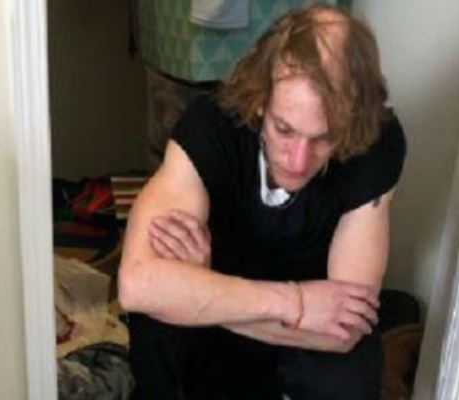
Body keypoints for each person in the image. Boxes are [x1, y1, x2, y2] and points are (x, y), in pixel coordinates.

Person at [117, 4, 406, 400]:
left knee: (349, 374)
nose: (298, 160)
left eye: (324, 138)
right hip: (277, 315)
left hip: (293, 333)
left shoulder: (375, 142)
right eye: (284, 129)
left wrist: (201, 292)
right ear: (260, 101)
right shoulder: (211, 125)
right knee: (157, 327)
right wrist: (296, 302)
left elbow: (343, 330)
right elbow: (137, 286)